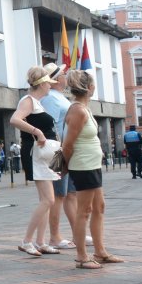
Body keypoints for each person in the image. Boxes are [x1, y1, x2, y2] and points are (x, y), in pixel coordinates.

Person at [61, 70, 122, 268]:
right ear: (90, 88)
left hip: (91, 164)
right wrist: (65, 166)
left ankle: (100, 251)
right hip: (83, 165)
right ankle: (81, 256)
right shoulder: (78, 110)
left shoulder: (83, 108)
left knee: (99, 207)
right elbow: (68, 144)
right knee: (84, 211)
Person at [9, 66, 62, 257]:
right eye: (48, 83)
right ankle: (27, 241)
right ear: (42, 84)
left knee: (46, 200)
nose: (50, 86)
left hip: (43, 154)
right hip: (35, 153)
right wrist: (37, 132)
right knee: (48, 200)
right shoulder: (28, 100)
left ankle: (40, 241)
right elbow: (15, 119)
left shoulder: (35, 102)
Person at [39, 62, 82, 252]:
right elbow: (51, 126)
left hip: (67, 149)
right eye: (63, 73)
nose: (66, 76)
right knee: (58, 194)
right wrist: (59, 150)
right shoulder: (50, 98)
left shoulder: (59, 97)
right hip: (59, 150)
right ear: (57, 79)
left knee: (71, 193)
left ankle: (77, 233)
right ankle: (55, 236)